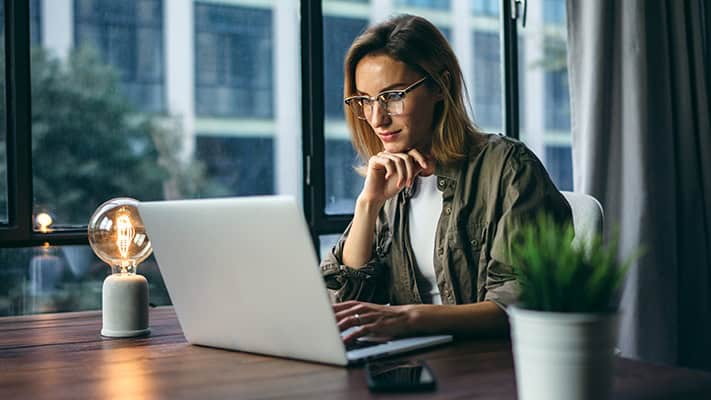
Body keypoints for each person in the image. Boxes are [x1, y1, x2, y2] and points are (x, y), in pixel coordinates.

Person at [320, 14, 572, 343]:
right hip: (413, 363)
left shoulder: (509, 168)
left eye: (393, 96)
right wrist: (368, 205)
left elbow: (518, 305)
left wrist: (410, 318)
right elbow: (343, 301)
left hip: (489, 367)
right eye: (364, 100)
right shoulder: (391, 179)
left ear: (440, 86)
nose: (376, 118)